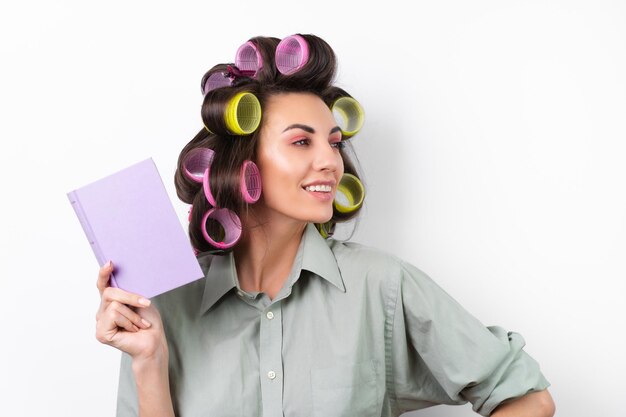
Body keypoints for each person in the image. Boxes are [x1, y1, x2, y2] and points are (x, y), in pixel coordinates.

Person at [95, 34, 555, 417]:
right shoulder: (168, 304)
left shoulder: (380, 286)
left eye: (334, 143)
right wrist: (149, 360)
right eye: (301, 141)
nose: (329, 162)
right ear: (243, 161)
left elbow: (527, 397)